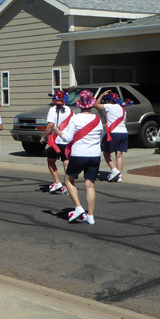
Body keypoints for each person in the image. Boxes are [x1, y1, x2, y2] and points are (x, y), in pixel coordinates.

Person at [52, 90, 103, 225]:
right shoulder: (97, 119)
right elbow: (100, 137)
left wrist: (58, 132)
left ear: (80, 105)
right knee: (90, 184)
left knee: (68, 179)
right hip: (95, 154)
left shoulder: (75, 118)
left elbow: (67, 138)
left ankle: (79, 207)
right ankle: (90, 216)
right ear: (91, 105)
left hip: (79, 153)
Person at [95, 90, 132, 183]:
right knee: (119, 155)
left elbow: (96, 105)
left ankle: (114, 170)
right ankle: (120, 176)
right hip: (123, 133)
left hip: (113, 133)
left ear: (110, 101)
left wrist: (102, 95)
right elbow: (125, 121)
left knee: (106, 153)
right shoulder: (122, 109)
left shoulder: (109, 107)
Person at [40, 90, 73, 194]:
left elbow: (50, 126)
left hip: (56, 141)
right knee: (66, 162)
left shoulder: (52, 110)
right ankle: (68, 184)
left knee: (51, 161)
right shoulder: (70, 110)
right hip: (67, 139)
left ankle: (57, 182)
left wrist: (43, 137)